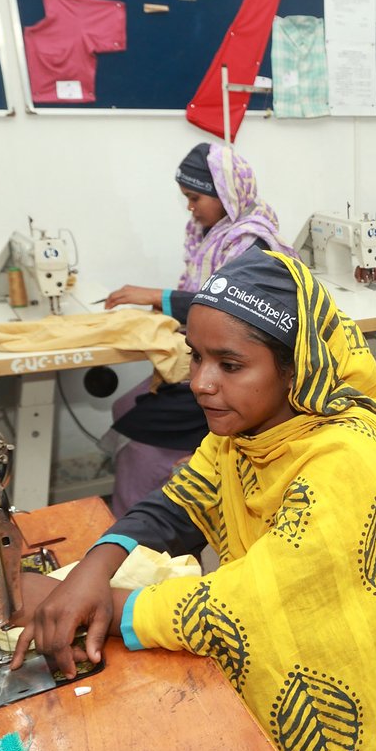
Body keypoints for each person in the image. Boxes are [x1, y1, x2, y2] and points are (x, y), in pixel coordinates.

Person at [15, 247, 376, 751]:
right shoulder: (248, 433)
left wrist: (112, 605)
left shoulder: (346, 456)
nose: (202, 383)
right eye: (196, 357)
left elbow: (261, 598)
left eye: (229, 365)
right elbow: (179, 502)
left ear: (296, 368)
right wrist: (95, 563)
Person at [101, 143, 292, 517]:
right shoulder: (214, 234)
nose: (190, 207)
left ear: (225, 192)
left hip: (236, 370)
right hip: (219, 360)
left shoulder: (249, 242)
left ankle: (154, 519)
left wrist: (154, 295)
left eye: (195, 197)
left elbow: (222, 304)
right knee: (124, 406)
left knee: (138, 434)